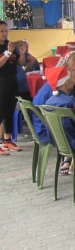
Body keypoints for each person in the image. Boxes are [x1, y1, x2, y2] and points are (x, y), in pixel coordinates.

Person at [0, 21, 25, 154]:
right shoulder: (7, 49)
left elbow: (20, 63)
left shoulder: (10, 45)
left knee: (10, 111)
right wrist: (8, 53)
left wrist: (22, 53)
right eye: (2, 31)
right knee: (1, 110)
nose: (5, 33)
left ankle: (7, 140)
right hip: (1, 80)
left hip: (12, 80)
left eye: (6, 30)